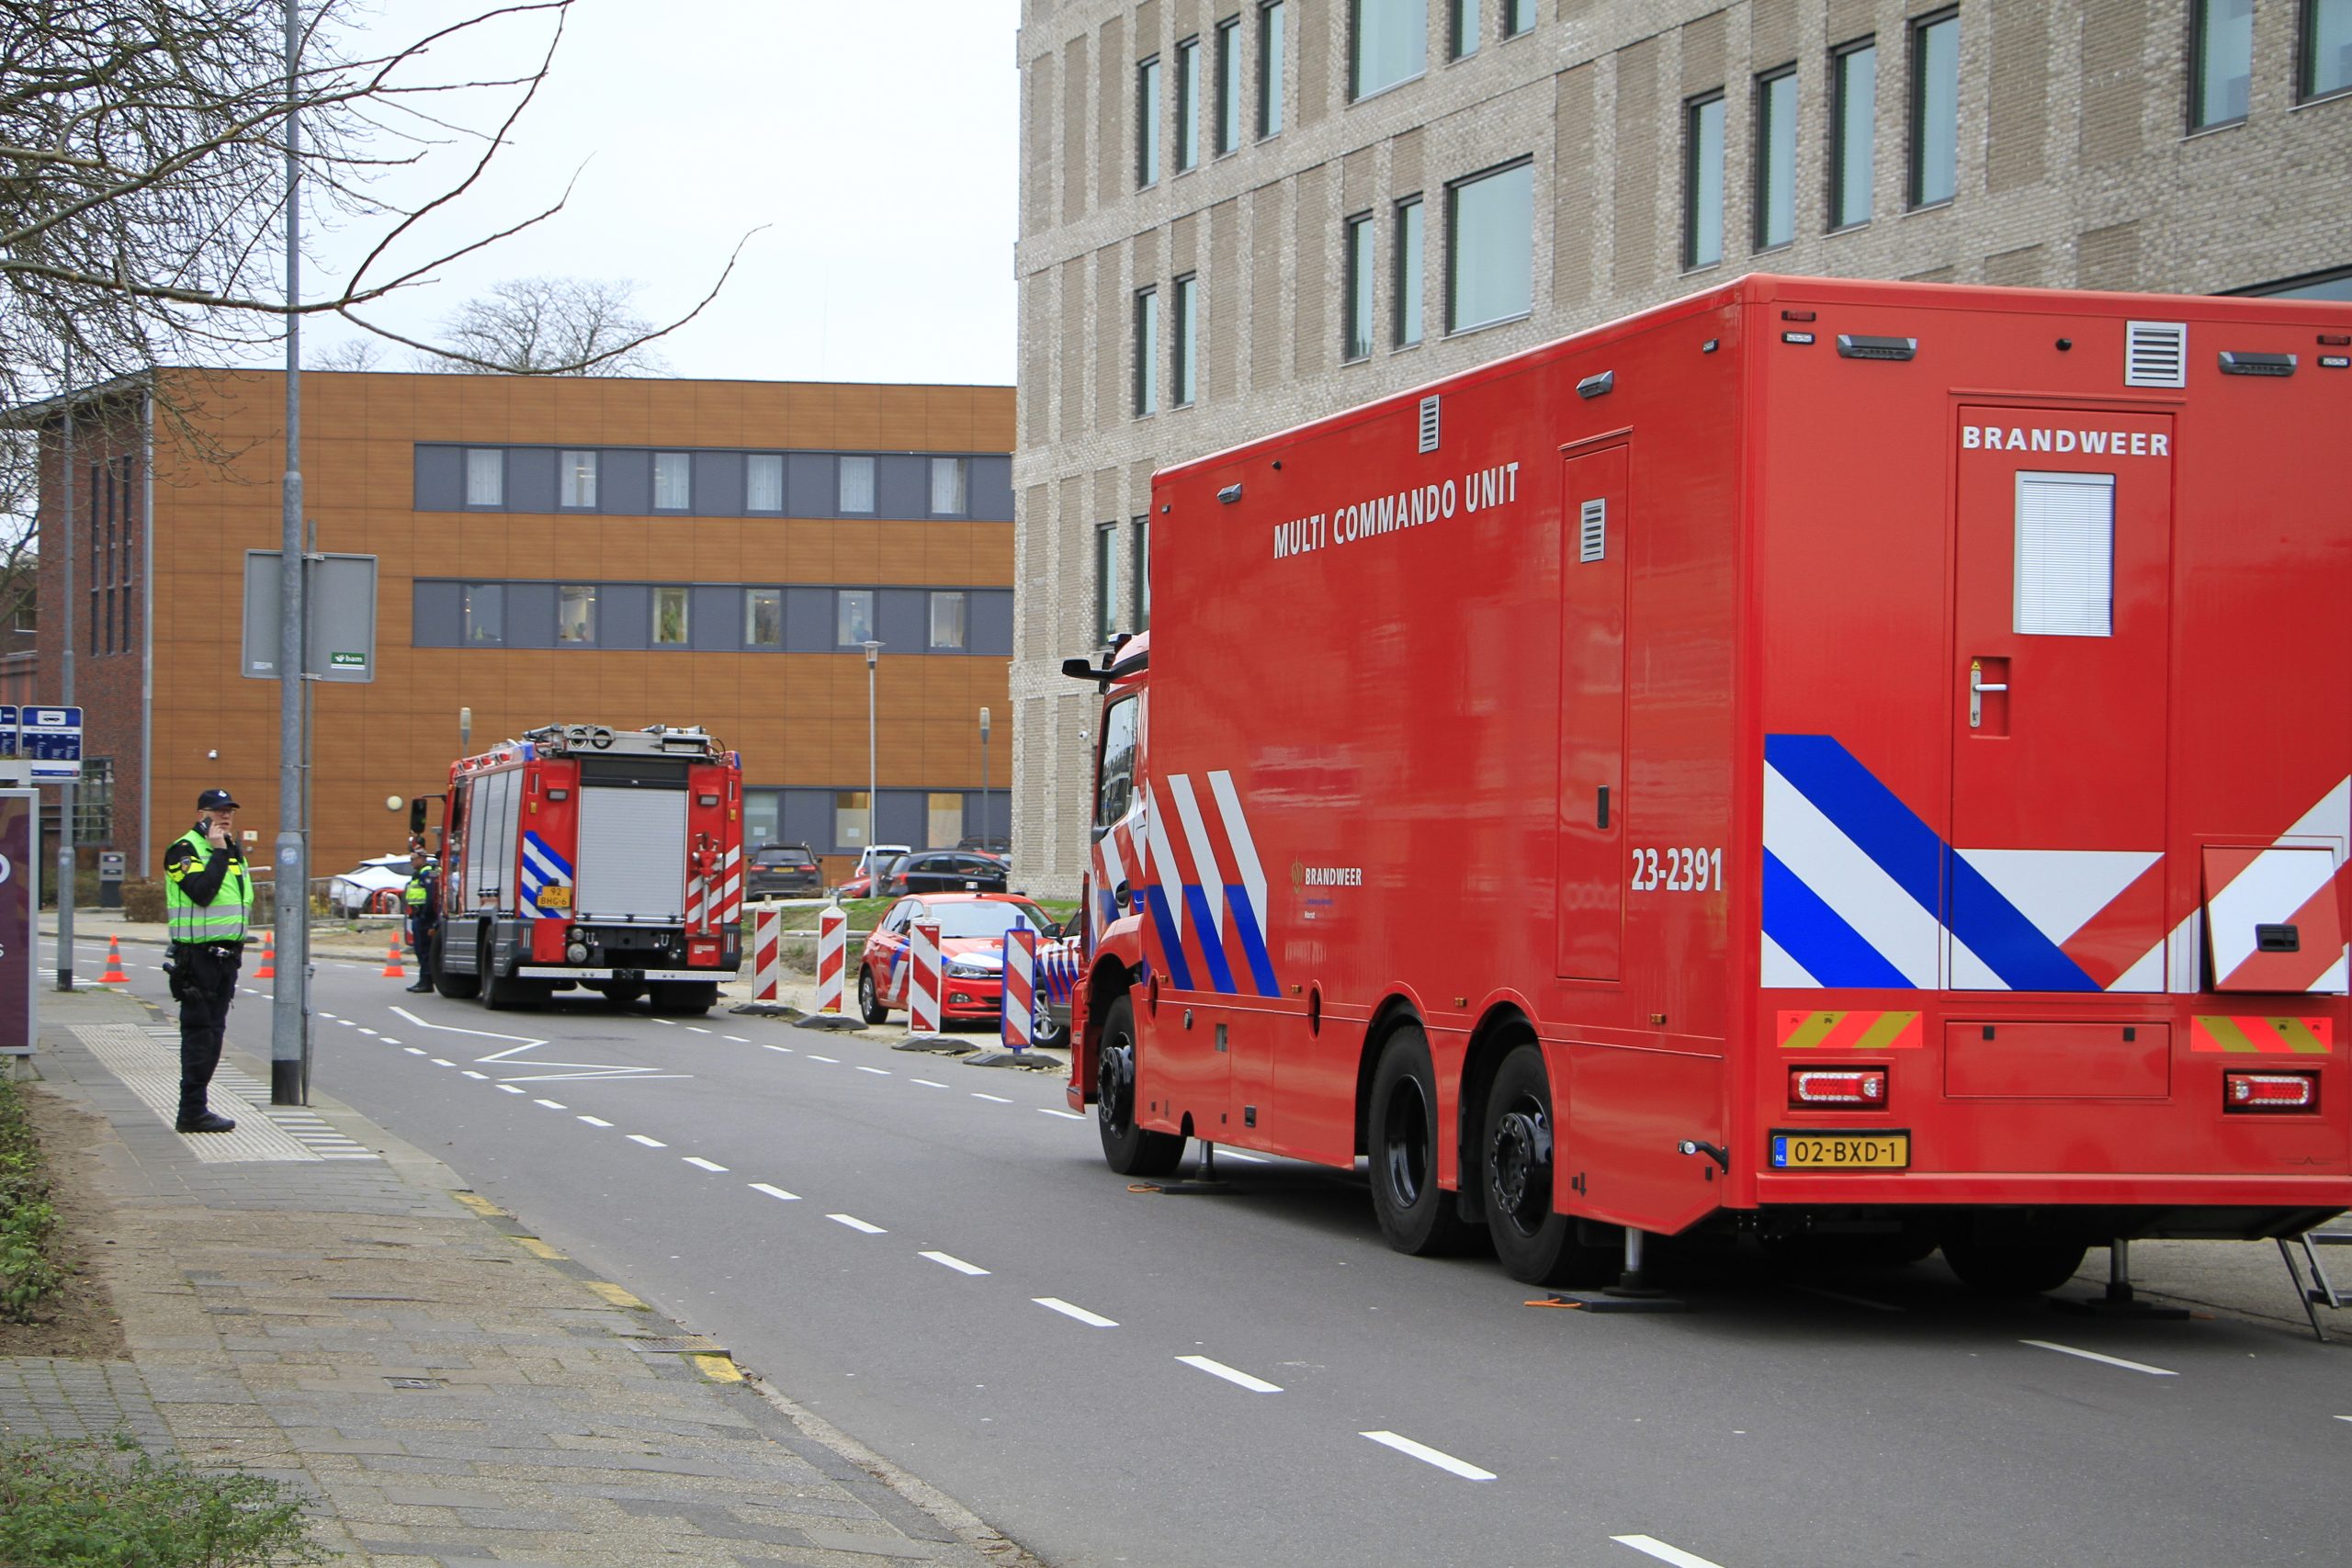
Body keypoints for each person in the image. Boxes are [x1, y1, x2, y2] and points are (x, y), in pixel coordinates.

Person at [163, 788, 251, 1134]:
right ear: (202, 813)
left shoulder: (230, 851)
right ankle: (191, 1111)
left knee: (214, 1034)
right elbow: (202, 892)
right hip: (197, 957)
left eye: (229, 811)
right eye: (217, 811)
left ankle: (198, 1108)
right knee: (200, 1034)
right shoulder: (183, 850)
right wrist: (217, 851)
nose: (224, 817)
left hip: (225, 957)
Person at [402, 842, 439, 993]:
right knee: (419, 949)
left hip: (426, 917)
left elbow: (431, 898)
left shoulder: (428, 873)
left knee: (424, 951)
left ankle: (426, 982)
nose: (412, 862)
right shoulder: (418, 874)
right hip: (418, 915)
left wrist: (425, 915)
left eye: (413, 859)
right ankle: (423, 980)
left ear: (422, 858)